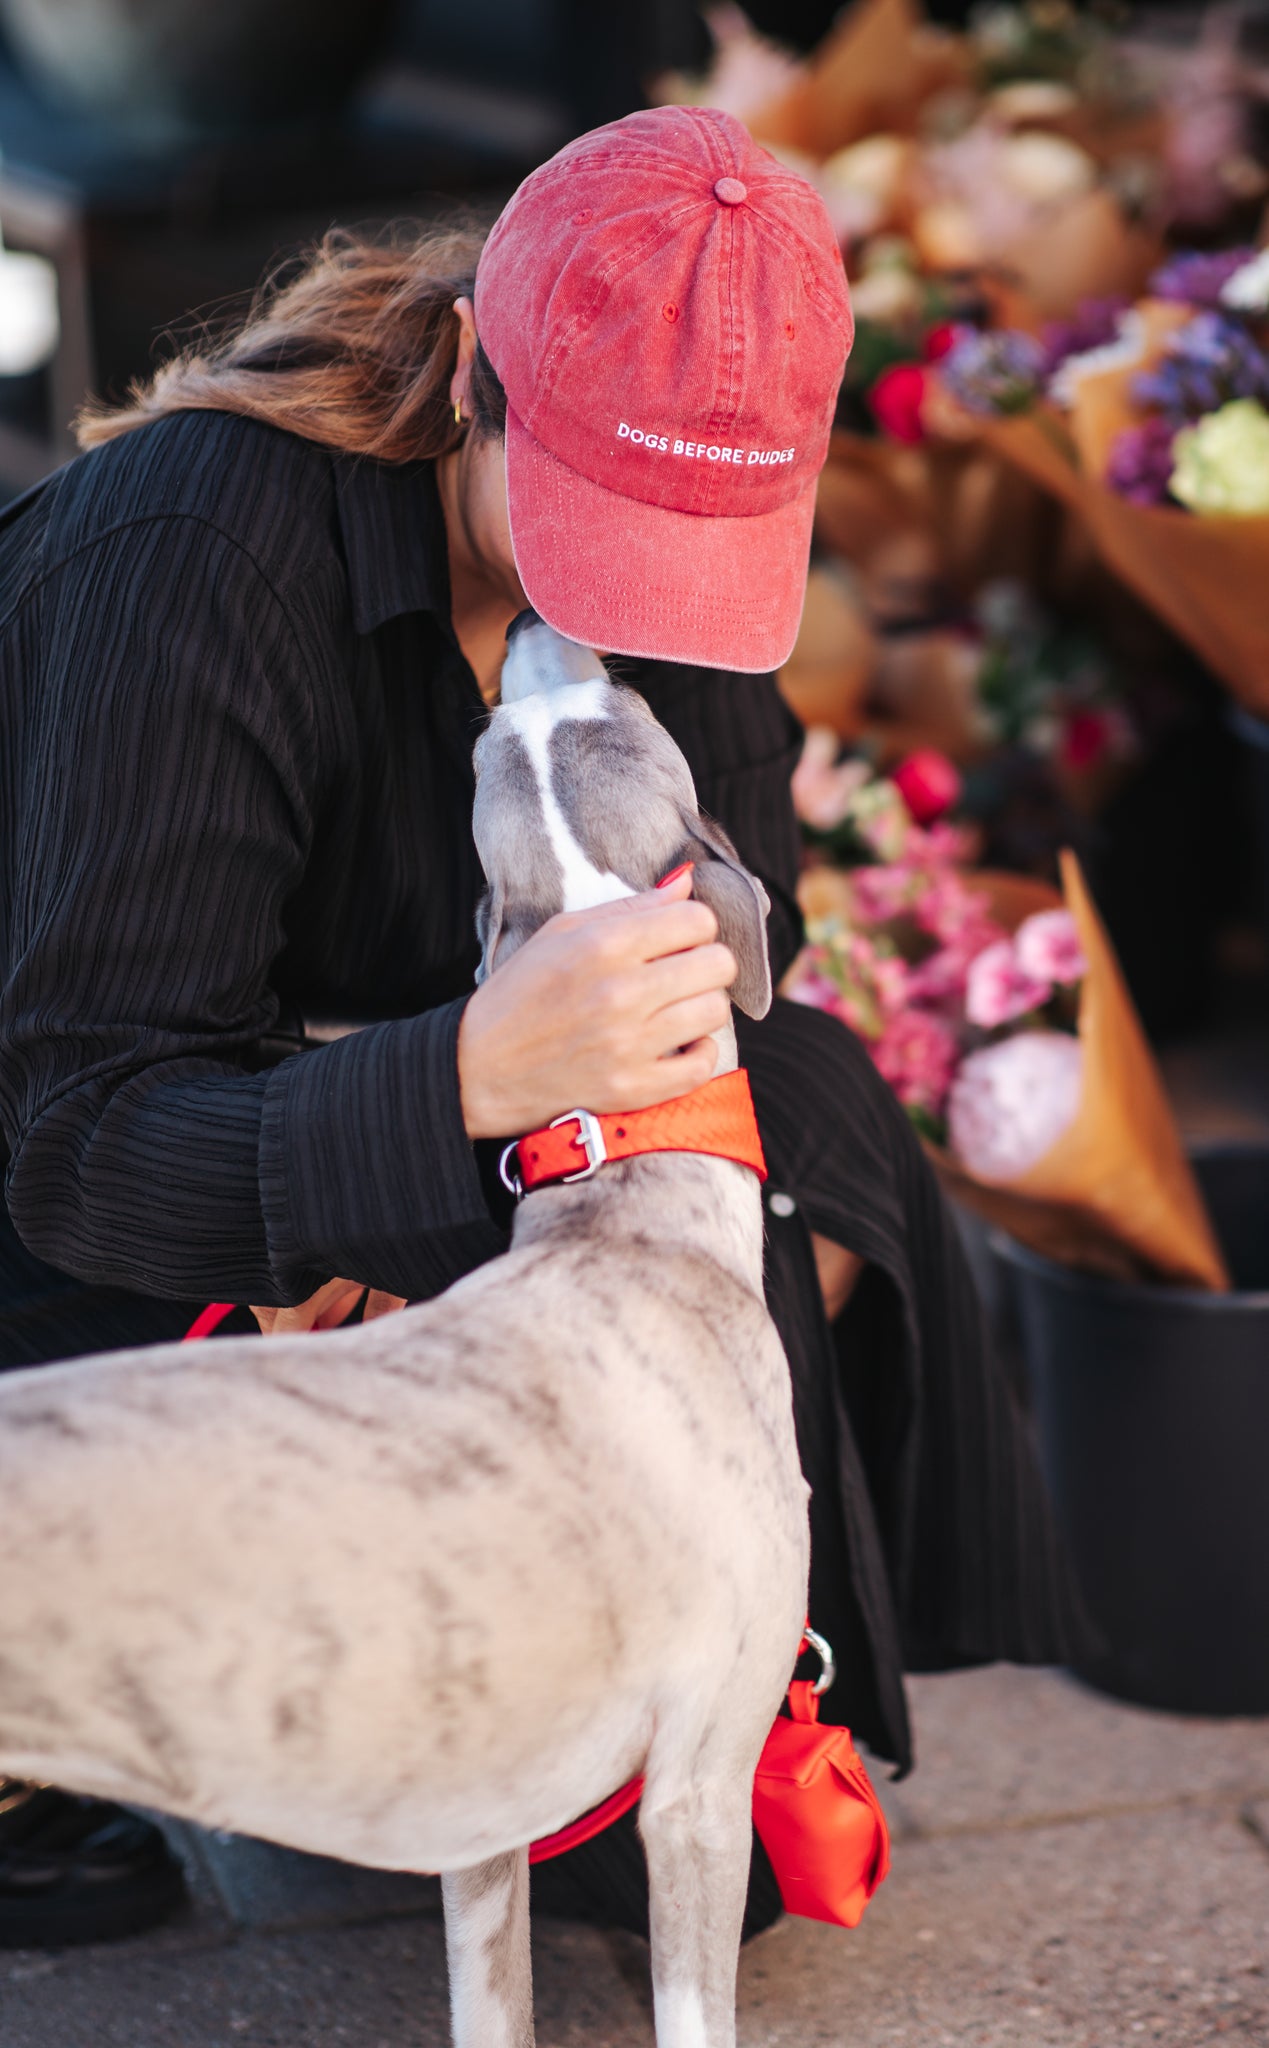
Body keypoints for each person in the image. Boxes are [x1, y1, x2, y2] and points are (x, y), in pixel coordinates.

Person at [0, 105, 1085, 1948]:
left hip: (428, 1152)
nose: (634, 599)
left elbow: (736, 937)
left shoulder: (680, 576)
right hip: (92, 1210)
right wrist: (442, 1091)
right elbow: (79, 1137)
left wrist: (542, 1073)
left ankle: (708, 1649)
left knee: (809, 1106)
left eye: (692, 543)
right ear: (471, 378)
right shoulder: (186, 552)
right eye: (601, 518)